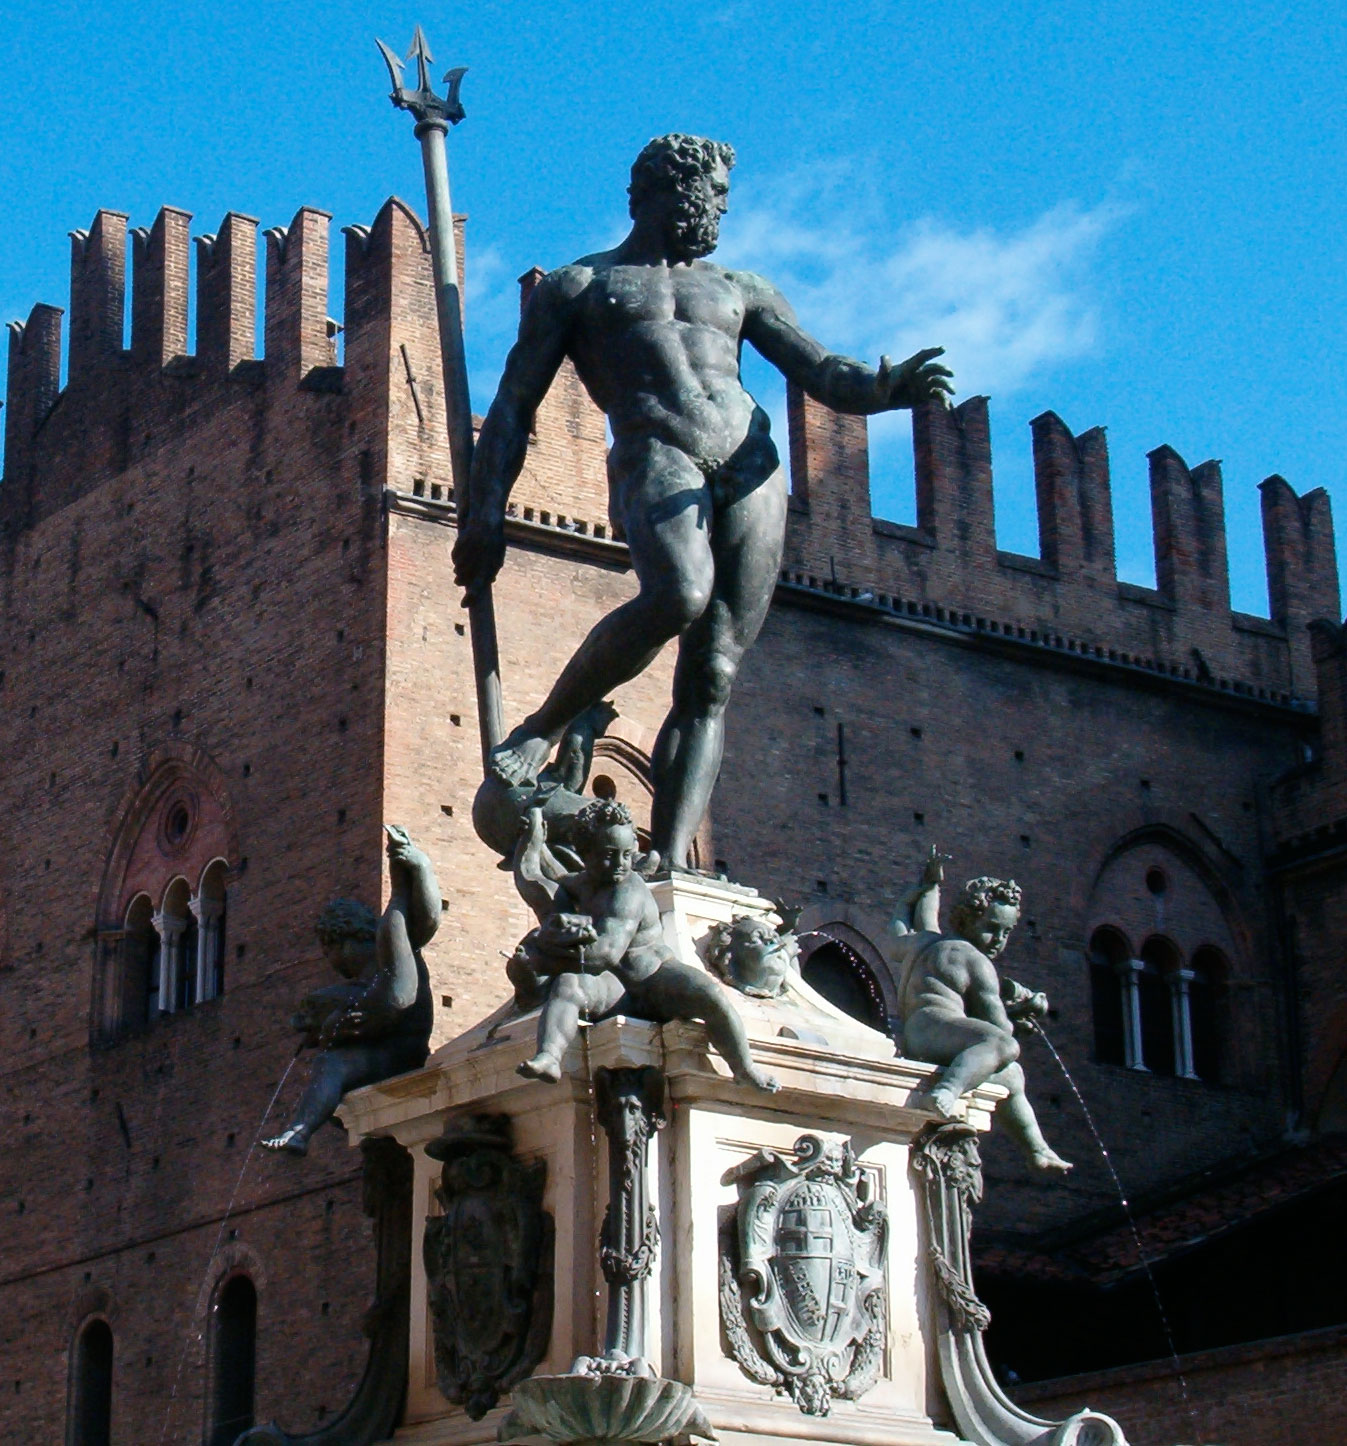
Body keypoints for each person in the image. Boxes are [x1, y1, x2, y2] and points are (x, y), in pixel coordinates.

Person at [453, 134, 953, 873]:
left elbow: (820, 370)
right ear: (667, 188)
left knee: (713, 671)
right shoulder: (582, 287)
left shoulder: (738, 289)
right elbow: (513, 407)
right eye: (713, 192)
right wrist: (486, 512)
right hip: (656, 450)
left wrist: (883, 390)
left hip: (750, 465)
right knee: (679, 595)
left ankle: (676, 871)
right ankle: (542, 726)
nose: (720, 207)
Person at [508, 798, 778, 1091]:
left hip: (655, 981)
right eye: (609, 855)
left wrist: (544, 956)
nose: (620, 864)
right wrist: (532, 837)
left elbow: (604, 955)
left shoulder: (629, 891)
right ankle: (549, 1056)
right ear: (586, 853)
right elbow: (537, 878)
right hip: (617, 988)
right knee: (569, 986)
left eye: (627, 854)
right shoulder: (581, 884)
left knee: (710, 994)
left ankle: (744, 1067)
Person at [890, 848, 1071, 1175]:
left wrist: (923, 891)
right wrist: (1021, 1009)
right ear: (967, 918)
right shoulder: (976, 962)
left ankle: (1037, 1149)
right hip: (936, 1034)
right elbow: (999, 1031)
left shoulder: (926, 942)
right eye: (991, 927)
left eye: (1005, 932)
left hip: (921, 1032)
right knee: (1006, 1049)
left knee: (1012, 1077)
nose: (998, 940)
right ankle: (948, 1089)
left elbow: (902, 930)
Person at [262, 825, 439, 1155]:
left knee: (332, 1064)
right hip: (386, 1051)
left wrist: (418, 865)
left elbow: (424, 923)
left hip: (403, 1052)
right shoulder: (372, 970)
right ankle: (299, 1130)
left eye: (329, 950)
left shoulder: (389, 942)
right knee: (332, 1063)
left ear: (344, 941)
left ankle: (300, 1129)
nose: (330, 962)